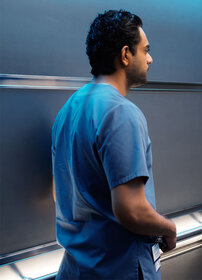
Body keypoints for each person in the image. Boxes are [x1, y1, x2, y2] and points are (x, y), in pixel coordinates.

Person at [51, 10, 177, 280]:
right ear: (125, 55)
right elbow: (131, 210)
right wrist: (168, 228)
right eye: (145, 50)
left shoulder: (67, 111)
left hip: (76, 269)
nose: (150, 58)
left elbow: (60, 193)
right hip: (118, 269)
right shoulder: (121, 113)